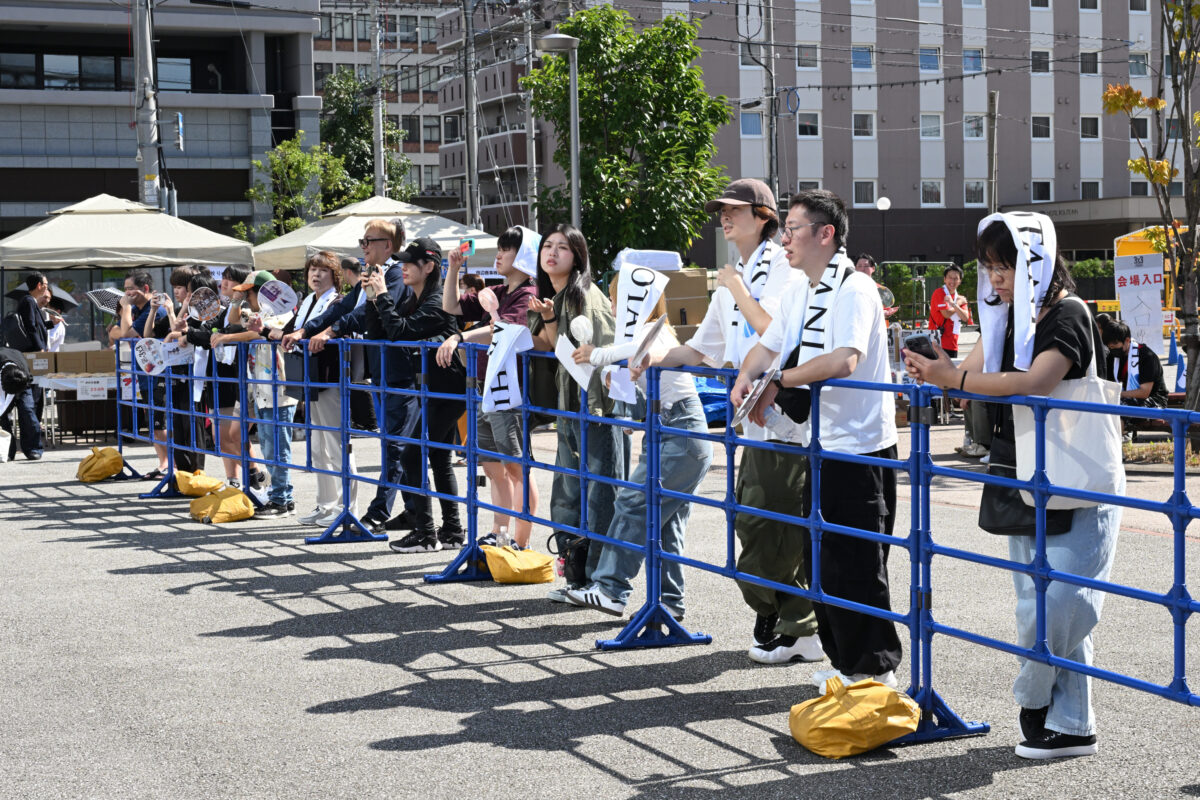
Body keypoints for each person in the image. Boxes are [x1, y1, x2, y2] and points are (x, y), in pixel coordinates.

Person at [904, 211, 1124, 760]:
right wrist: (936, 368)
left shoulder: (1069, 313)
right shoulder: (1006, 318)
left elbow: (1035, 382)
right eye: (989, 267)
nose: (997, 278)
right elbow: (971, 377)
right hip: (1023, 471)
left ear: (1038, 261)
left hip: (1078, 477)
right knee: (1036, 600)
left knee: (1063, 604)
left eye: (1007, 266)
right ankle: (1073, 725)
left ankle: (1033, 698)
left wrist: (952, 376)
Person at [639, 178, 820, 664]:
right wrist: (651, 358)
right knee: (755, 520)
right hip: (752, 420)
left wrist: (736, 288)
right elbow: (701, 349)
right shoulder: (732, 275)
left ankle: (797, 624)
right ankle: (785, 618)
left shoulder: (781, 265)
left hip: (786, 415)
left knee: (771, 523)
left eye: (735, 209)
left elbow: (774, 333)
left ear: (764, 216)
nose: (724, 216)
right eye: (721, 210)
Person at [733, 189, 902, 688]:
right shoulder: (800, 290)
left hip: (861, 448)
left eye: (793, 229)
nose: (784, 239)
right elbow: (768, 345)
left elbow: (845, 360)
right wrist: (746, 378)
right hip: (821, 445)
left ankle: (874, 673)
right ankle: (848, 664)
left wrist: (779, 380)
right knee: (823, 561)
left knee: (857, 565)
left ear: (826, 234)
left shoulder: (855, 288)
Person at [566, 296, 713, 619]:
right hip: (676, 430)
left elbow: (634, 355)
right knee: (666, 525)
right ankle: (669, 603)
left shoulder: (650, 331)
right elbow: (633, 387)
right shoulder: (651, 334)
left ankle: (611, 589)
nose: (613, 307)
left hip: (679, 431)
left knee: (633, 504)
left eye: (616, 298)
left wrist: (598, 356)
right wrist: (607, 372)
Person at [283, 219, 413, 534]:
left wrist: (329, 331)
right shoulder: (370, 275)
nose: (363, 247)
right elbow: (342, 310)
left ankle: (377, 513)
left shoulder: (395, 274)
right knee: (401, 446)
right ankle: (415, 513)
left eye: (369, 241)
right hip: (379, 368)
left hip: (401, 369)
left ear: (388, 246)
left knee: (398, 446)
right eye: (362, 241)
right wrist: (305, 330)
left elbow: (363, 313)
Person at [528, 224, 623, 602]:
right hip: (570, 409)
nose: (552, 253)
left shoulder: (585, 297)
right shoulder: (556, 296)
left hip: (595, 410)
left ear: (578, 256)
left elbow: (604, 356)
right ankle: (577, 578)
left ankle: (602, 582)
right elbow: (554, 347)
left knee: (600, 496)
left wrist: (601, 411)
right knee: (568, 494)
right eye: (547, 246)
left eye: (562, 248)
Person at [438, 226, 540, 548]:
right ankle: (500, 533)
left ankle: (521, 543)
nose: (499, 255)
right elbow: (452, 306)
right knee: (495, 468)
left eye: (506, 249)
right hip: (487, 387)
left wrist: (460, 336)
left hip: (509, 390)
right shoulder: (498, 290)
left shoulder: (528, 294)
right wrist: (453, 268)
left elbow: (504, 330)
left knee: (517, 467)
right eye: (500, 248)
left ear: (524, 256)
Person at [365, 237, 467, 552]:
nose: (403, 268)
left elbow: (401, 332)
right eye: (403, 262)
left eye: (410, 263)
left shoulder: (437, 300)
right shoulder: (415, 299)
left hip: (448, 389)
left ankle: (426, 533)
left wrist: (383, 294)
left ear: (429, 266)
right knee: (439, 457)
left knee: (412, 453)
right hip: (434, 388)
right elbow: (379, 332)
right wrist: (372, 298)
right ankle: (452, 531)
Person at [278, 251, 361, 526]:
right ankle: (326, 505)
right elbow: (289, 331)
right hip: (309, 377)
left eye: (323, 270)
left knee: (337, 444)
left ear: (335, 276)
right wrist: (262, 328)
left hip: (330, 378)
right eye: (312, 269)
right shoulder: (307, 302)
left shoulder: (338, 302)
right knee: (318, 447)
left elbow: (328, 330)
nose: (316, 274)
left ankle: (347, 508)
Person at [220, 270, 300, 517]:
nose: (248, 298)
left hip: (280, 388)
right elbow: (234, 321)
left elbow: (256, 333)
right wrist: (235, 301)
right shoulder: (257, 313)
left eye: (249, 293)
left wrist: (227, 337)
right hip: (261, 388)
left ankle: (282, 499)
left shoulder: (282, 312)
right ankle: (280, 496)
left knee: (278, 446)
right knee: (267, 445)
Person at [110, 270, 171, 478]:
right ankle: (163, 464)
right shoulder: (137, 309)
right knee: (153, 421)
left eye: (130, 289)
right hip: (145, 372)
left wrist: (125, 309)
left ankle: (169, 465)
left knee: (160, 422)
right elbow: (115, 333)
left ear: (145, 288)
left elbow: (126, 333)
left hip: (159, 373)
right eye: (125, 289)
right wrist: (126, 323)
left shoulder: (154, 310)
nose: (127, 293)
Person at [0, 273, 50, 460]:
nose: (47, 288)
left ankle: (32, 449)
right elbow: (30, 327)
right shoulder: (28, 301)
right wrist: (40, 348)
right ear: (39, 285)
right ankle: (9, 450)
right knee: (5, 413)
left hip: (21, 370)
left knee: (28, 410)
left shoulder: (29, 301)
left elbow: (35, 326)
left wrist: (49, 324)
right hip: (14, 368)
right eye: (46, 284)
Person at [1099, 317, 1168, 441]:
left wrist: (1118, 394)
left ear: (1127, 340)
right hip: (1125, 398)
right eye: (1109, 347)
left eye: (1115, 345)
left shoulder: (1147, 356)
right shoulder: (1112, 357)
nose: (1112, 349)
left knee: (1119, 410)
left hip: (1153, 400)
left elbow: (1144, 392)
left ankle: (1114, 446)